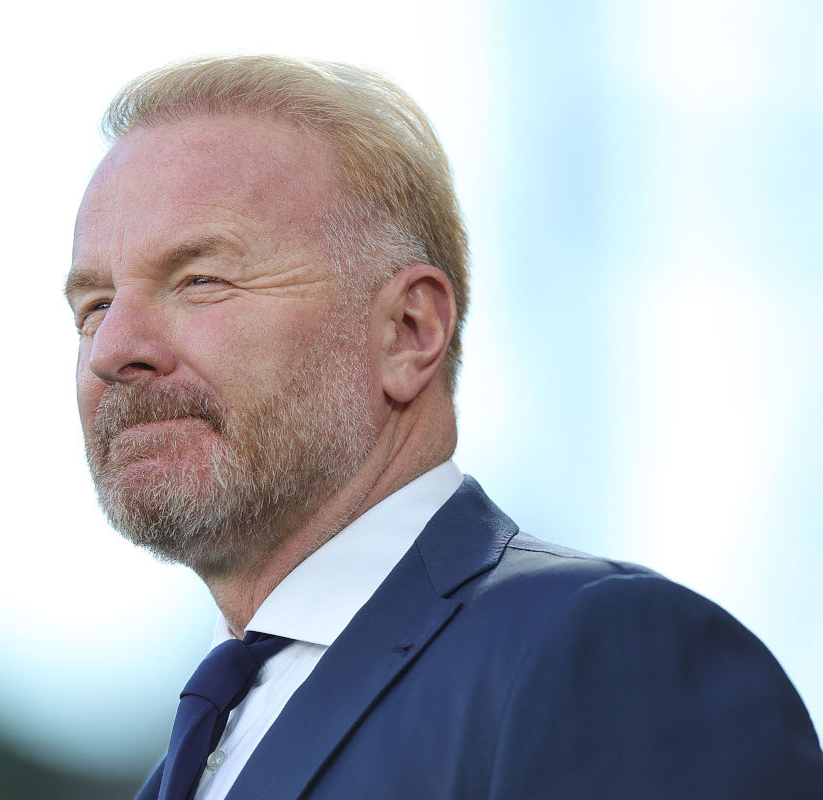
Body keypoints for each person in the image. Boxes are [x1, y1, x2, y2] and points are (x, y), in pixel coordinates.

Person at [64, 54, 823, 799]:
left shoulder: (606, 656)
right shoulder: (189, 769)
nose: (113, 349)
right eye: (93, 306)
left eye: (200, 280)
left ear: (408, 330)